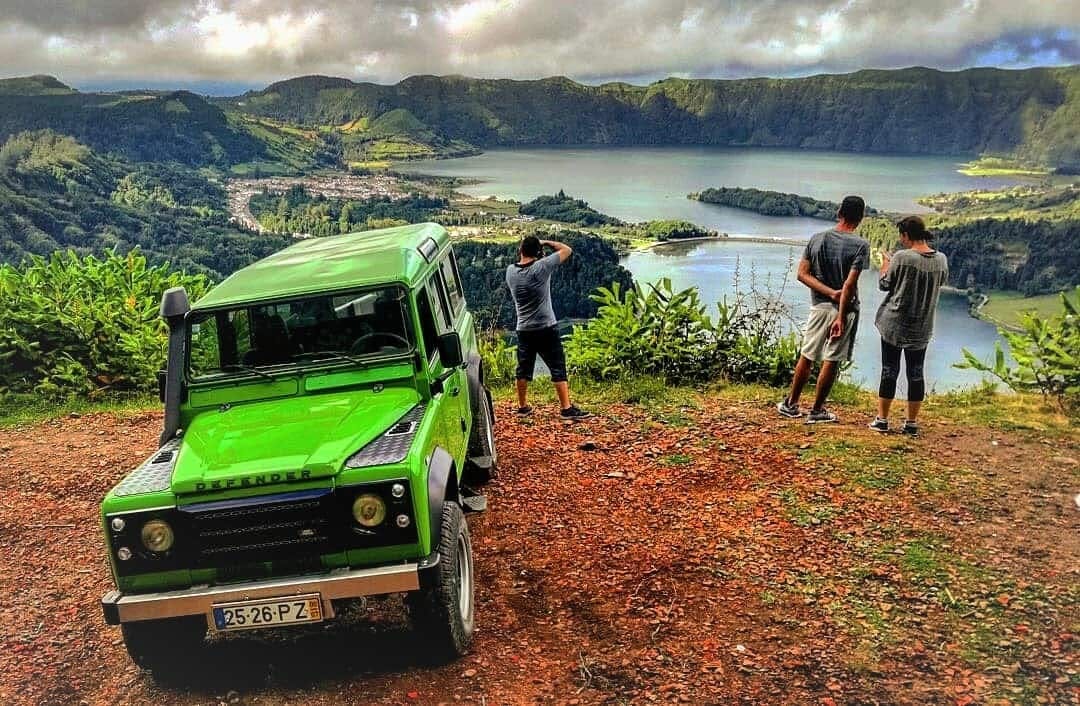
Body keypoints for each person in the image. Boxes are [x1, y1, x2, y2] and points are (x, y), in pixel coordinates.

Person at [777, 195, 870, 423]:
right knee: (832, 359)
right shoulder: (860, 246)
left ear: (839, 212)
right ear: (859, 218)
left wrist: (827, 293)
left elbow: (802, 274)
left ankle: (791, 404)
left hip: (818, 306)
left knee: (807, 355)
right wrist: (839, 312)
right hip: (844, 310)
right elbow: (849, 284)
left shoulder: (817, 239)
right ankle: (817, 410)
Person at [868, 216, 949, 436]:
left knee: (889, 370)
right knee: (916, 372)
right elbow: (939, 281)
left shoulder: (902, 257)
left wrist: (886, 264)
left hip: (894, 324)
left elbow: (885, 284)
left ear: (906, 235)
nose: (901, 240)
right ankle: (911, 423)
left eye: (901, 236)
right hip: (922, 326)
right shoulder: (941, 259)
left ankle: (882, 420)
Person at [506, 235, 590, 419]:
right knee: (557, 366)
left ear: (520, 250)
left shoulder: (510, 272)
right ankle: (566, 408)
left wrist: (533, 249)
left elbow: (523, 259)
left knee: (523, 368)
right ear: (538, 252)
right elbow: (567, 250)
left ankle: (522, 406)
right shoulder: (541, 267)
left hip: (523, 328)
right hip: (546, 327)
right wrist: (546, 243)